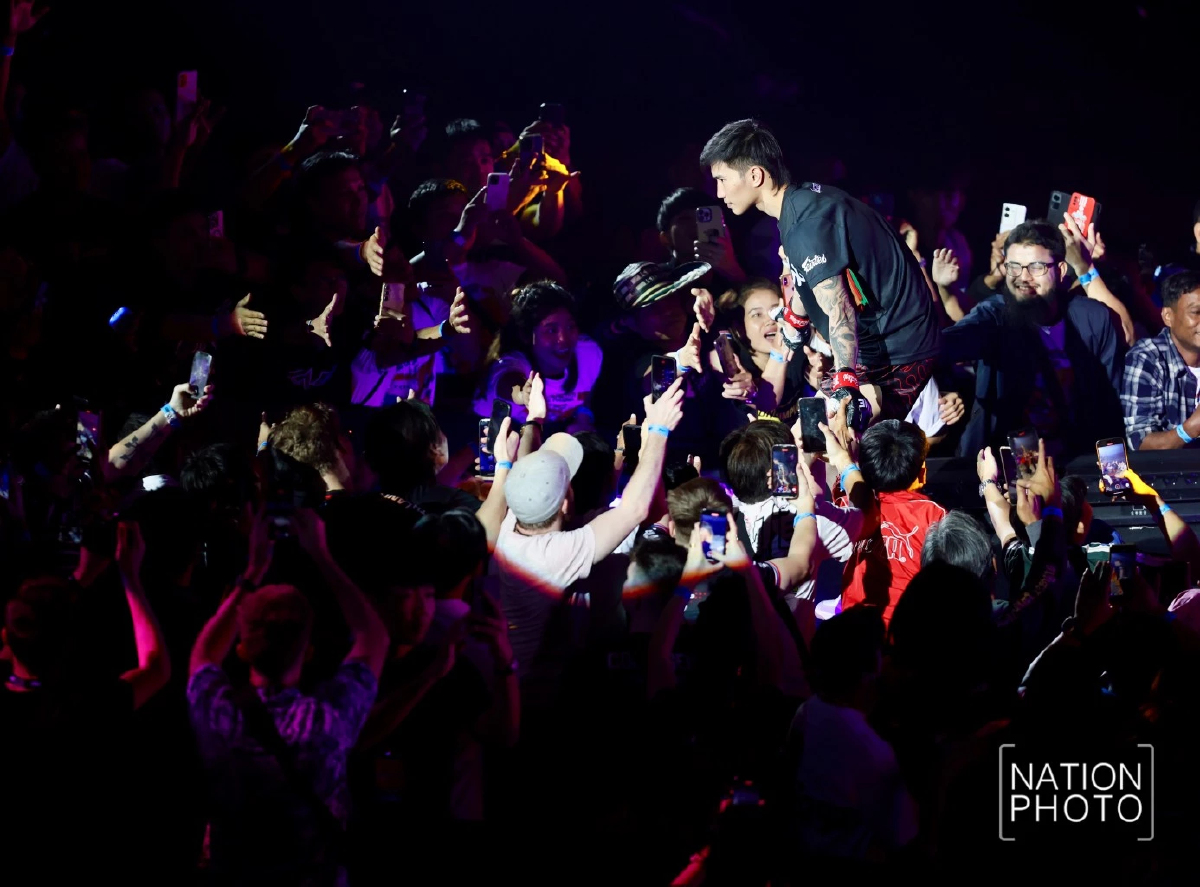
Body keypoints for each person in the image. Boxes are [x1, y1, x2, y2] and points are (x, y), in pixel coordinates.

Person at [187, 507, 388, 886]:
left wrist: (252, 572)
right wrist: (322, 555)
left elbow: (204, 654)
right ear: (309, 651)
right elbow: (374, 636)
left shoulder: (217, 714)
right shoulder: (326, 720)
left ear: (241, 648)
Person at [700, 119, 941, 426]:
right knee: (805, 438)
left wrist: (845, 383)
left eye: (722, 180)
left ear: (755, 175)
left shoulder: (804, 227)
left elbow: (839, 307)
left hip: (897, 354)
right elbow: (811, 278)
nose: (719, 192)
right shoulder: (800, 203)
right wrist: (795, 318)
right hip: (884, 345)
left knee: (823, 437)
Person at [940, 221, 1124, 460]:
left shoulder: (1094, 318)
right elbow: (946, 344)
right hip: (1005, 463)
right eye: (1014, 266)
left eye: (1036, 267)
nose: (1023, 277)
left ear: (1060, 270)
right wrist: (943, 390)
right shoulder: (994, 315)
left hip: (1079, 459)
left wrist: (1112, 468)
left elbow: (1111, 402)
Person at [836, 419, 946, 625]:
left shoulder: (850, 504)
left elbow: (847, 484)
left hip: (855, 631)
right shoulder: (933, 515)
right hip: (906, 632)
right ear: (921, 472)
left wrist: (847, 460)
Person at [474, 281, 602, 434]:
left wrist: (583, 420)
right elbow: (509, 383)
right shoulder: (512, 364)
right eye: (551, 330)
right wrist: (523, 394)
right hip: (490, 434)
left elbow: (585, 396)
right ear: (527, 335)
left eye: (570, 327)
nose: (563, 339)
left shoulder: (588, 353)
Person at [1121, 270, 1200, 449]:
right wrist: (1191, 429)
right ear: (1168, 317)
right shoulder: (1148, 357)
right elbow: (1140, 441)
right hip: (1173, 466)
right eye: (1196, 312)